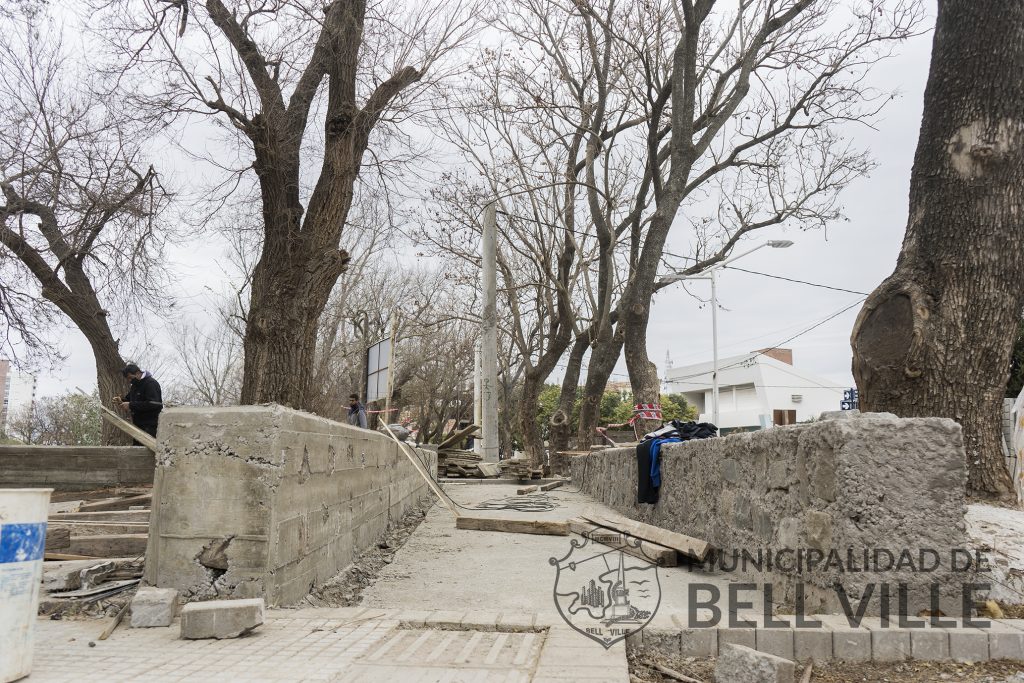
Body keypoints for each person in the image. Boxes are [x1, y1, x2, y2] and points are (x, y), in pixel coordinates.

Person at [114, 363, 163, 439]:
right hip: (138, 425)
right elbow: (130, 399)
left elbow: (153, 404)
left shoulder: (150, 383)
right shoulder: (135, 386)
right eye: (128, 379)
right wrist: (121, 400)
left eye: (130, 378)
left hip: (150, 426)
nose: (129, 381)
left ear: (137, 373)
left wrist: (130, 405)